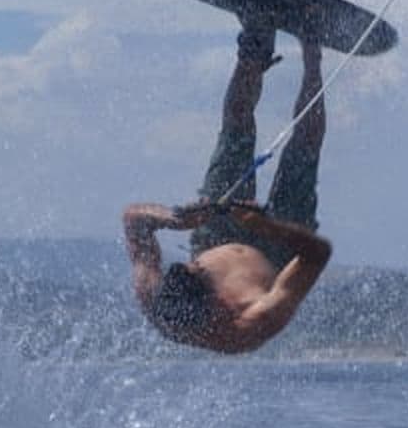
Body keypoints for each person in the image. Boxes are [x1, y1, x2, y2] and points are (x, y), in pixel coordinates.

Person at [123, 19, 332, 353]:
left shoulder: (156, 299)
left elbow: (133, 219)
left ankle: (254, 45)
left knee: (236, 127)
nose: (200, 265)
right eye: (202, 273)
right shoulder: (254, 320)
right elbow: (318, 254)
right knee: (302, 149)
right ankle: (312, 51)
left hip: (215, 230)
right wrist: (267, 226)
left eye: (196, 267)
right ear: (216, 306)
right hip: (281, 248)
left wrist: (177, 219)